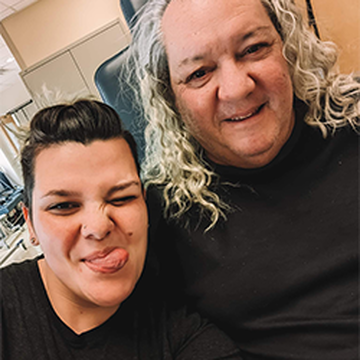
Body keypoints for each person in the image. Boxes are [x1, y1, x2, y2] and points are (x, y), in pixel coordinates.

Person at [126, 0, 359, 359]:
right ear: (171, 98)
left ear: (288, 46)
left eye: (253, 49)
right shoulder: (163, 218)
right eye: (199, 73)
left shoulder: (354, 119)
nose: (236, 89)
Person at [0, 99, 243, 359]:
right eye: (64, 206)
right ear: (30, 223)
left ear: (145, 205)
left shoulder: (182, 335)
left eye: (122, 198)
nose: (98, 227)